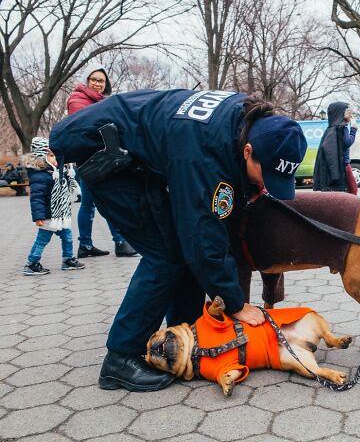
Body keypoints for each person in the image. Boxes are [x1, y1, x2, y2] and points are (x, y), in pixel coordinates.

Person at [49, 89, 307, 392]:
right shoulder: (204, 153)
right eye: (265, 174)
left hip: (140, 155)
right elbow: (203, 237)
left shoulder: (245, 118)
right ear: (248, 150)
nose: (265, 184)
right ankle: (119, 359)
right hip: (108, 160)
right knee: (166, 256)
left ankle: (185, 334)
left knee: (181, 248)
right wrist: (235, 303)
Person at [67, 64, 137, 258]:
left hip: (102, 157)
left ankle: (87, 246)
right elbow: (85, 127)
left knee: (90, 203)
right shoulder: (78, 99)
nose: (98, 84)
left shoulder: (101, 101)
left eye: (101, 81)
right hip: (90, 160)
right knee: (105, 200)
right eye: (94, 79)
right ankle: (120, 242)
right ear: (87, 80)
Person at [23, 137, 85, 275]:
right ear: (42, 156)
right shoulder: (40, 175)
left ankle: (68, 259)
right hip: (48, 215)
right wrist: (38, 217)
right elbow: (36, 197)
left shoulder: (55, 172)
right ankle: (32, 263)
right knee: (42, 240)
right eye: (51, 155)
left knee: (68, 236)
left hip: (60, 215)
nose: (55, 158)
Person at [312, 102, 358, 194]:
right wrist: (353, 129)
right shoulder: (342, 128)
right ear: (343, 114)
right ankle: (350, 207)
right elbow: (348, 142)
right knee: (353, 189)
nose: (350, 116)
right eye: (349, 113)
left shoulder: (330, 129)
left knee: (341, 190)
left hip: (337, 165)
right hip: (344, 164)